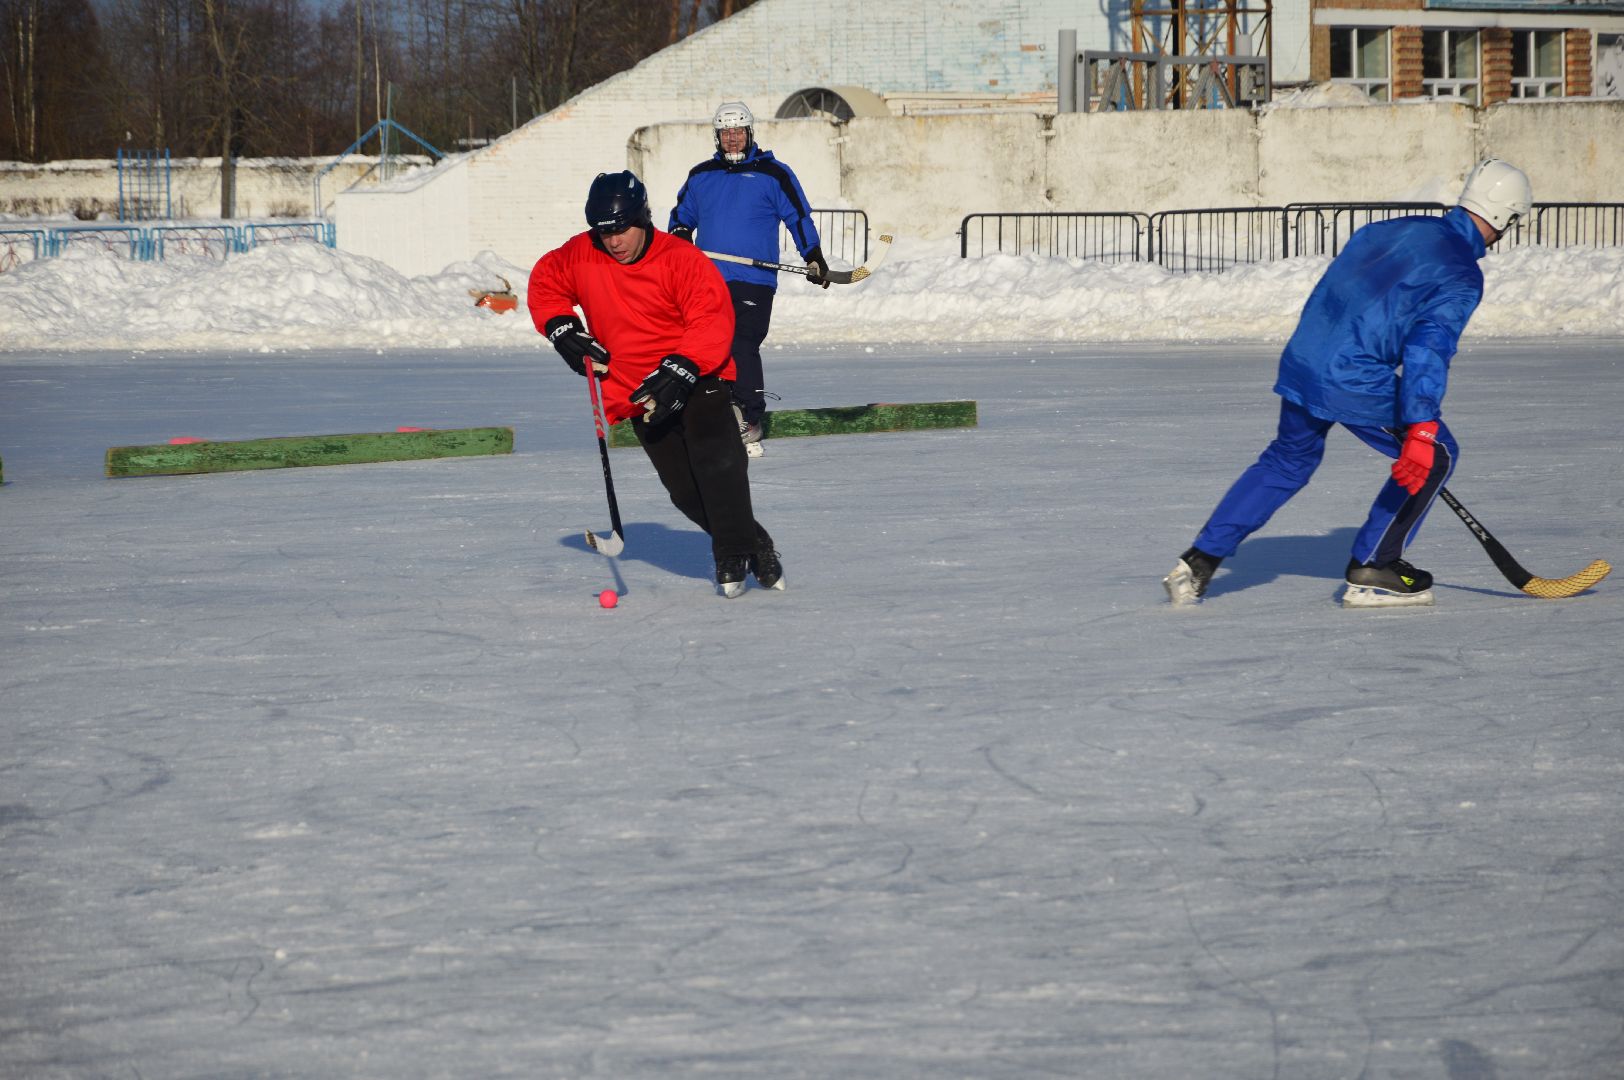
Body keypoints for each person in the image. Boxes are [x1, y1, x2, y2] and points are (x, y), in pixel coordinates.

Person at [1163, 158, 1533, 609]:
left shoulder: (1392, 228)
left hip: (1305, 355)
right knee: (1435, 453)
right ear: (1503, 216)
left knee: (1288, 461)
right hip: (1353, 375)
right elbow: (1426, 351)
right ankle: (1376, 566)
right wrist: (1421, 424)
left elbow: (1345, 285)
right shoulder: (1461, 273)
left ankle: (1199, 560)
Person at [529, 170, 783, 598]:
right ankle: (754, 541)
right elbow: (545, 283)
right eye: (605, 231)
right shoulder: (581, 254)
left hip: (697, 375)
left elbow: (712, 317)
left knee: (718, 465)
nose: (614, 241)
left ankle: (730, 551)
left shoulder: (680, 258)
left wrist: (683, 366)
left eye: (622, 228)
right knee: (684, 491)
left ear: (643, 217)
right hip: (639, 391)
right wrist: (560, 327)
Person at [668, 100, 829, 458]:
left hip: (754, 280)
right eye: (726, 133)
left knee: (741, 343)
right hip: (707, 281)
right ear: (717, 136)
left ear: (750, 132)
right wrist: (680, 235)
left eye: (738, 131)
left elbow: (798, 217)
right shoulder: (701, 176)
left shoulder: (774, 174)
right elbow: (681, 216)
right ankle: (715, 413)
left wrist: (813, 255)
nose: (733, 139)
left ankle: (749, 419)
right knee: (705, 347)